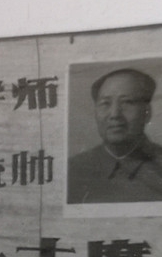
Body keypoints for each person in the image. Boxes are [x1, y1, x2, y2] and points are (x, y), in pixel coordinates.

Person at [67, 67, 162, 203]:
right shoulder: (73, 169)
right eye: (105, 103)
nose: (114, 114)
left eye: (127, 102)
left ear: (147, 112)